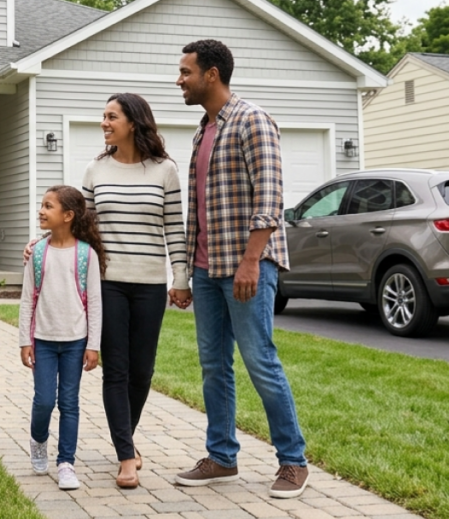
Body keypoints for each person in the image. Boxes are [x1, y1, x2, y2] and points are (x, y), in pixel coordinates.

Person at [170, 39, 309, 499]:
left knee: (259, 361)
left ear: (211, 74)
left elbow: (270, 199)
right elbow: (198, 209)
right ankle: (221, 456)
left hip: (246, 266)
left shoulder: (252, 120)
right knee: (213, 366)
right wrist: (188, 274)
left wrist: (252, 260)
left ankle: (293, 461)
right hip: (208, 270)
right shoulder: (202, 131)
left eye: (186, 72)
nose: (180, 80)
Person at [81, 93, 189, 489]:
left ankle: (124, 436)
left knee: (142, 372)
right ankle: (126, 456)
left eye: (111, 116)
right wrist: (41, 245)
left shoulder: (164, 171)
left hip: (148, 285)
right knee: (117, 371)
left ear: (133, 122)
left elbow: (174, 229)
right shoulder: (96, 169)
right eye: (103, 116)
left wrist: (180, 277)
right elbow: (83, 230)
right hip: (107, 283)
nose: (104, 123)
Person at [18, 185, 105, 491]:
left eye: (48, 206)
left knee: (69, 402)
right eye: (42, 205)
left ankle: (66, 462)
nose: (41, 211)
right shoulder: (38, 252)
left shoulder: (86, 255)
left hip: (75, 342)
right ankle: (38, 440)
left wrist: (93, 344)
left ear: (67, 216)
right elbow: (28, 299)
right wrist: (24, 341)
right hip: (43, 340)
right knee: (44, 401)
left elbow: (94, 302)